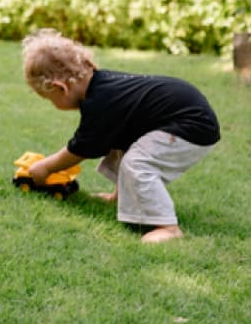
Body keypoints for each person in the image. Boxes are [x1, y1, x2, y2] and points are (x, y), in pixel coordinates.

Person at [21, 29, 219, 243]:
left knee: (137, 162)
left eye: (50, 99)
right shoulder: (102, 86)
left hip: (191, 125)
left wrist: (47, 167)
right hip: (180, 117)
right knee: (120, 141)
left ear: (60, 88)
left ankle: (168, 227)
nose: (53, 104)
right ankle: (121, 198)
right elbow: (115, 138)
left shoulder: (100, 103)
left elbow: (82, 148)